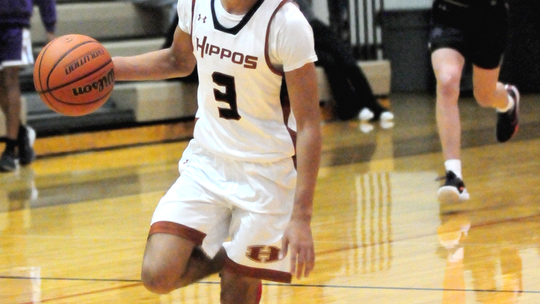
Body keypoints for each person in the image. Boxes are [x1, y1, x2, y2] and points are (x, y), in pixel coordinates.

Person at [113, 0, 322, 302]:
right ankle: (236, 258)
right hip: (208, 161)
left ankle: (244, 265)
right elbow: (177, 61)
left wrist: (301, 218)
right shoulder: (195, 3)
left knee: (237, 292)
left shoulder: (285, 22)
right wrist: (109, 69)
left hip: (268, 173)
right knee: (157, 275)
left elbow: (309, 126)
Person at [429, 0, 520, 202]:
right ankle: (454, 176)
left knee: (484, 95)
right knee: (447, 81)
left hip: (490, 15)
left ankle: (509, 100)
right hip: (449, 11)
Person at [295, 0, 393, 122]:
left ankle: (371, 104)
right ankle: (348, 108)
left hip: (311, 25)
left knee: (345, 56)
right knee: (328, 60)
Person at [0, 0, 56, 172]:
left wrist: (50, 26)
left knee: (10, 79)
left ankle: (10, 148)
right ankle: (21, 133)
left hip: (15, 22)